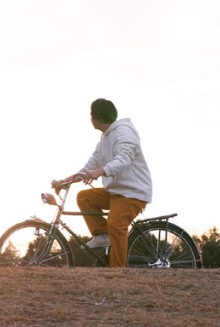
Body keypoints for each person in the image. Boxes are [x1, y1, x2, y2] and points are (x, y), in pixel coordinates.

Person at [52, 98, 152, 268]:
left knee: (116, 224)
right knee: (84, 197)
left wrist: (101, 171)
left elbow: (124, 159)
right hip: (116, 192)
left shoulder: (124, 132)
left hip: (133, 192)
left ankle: (118, 271)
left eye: (91, 115)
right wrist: (65, 181)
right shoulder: (105, 137)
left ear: (96, 117)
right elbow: (90, 165)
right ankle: (103, 235)